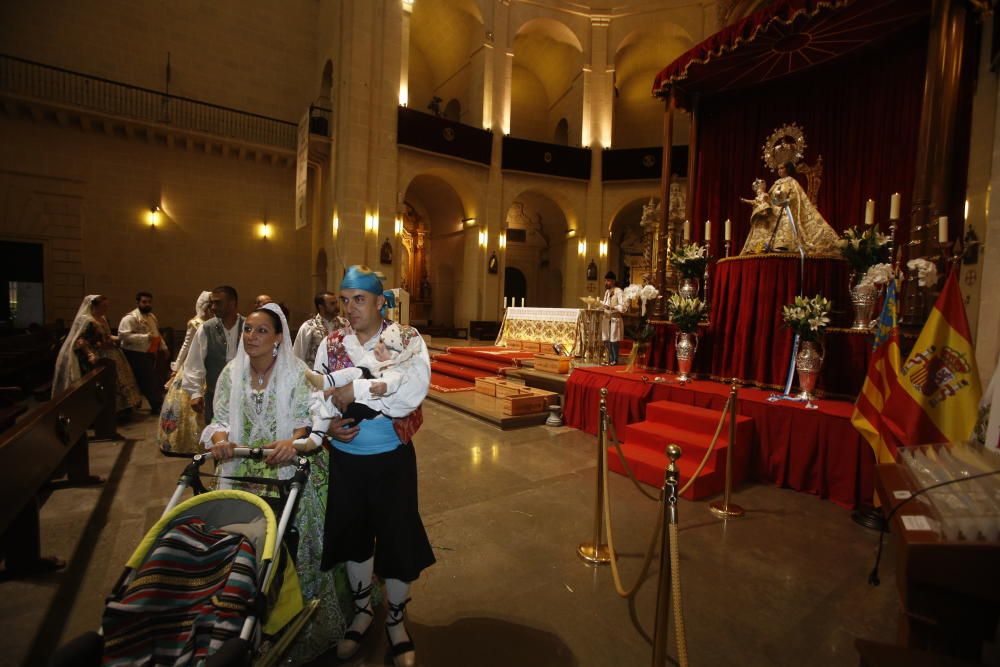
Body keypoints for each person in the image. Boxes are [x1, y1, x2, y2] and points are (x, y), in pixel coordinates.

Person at [200, 303, 346, 664]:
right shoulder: (231, 374)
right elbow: (219, 418)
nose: (252, 337)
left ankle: (299, 623)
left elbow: (302, 421)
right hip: (243, 467)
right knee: (239, 548)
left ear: (279, 337)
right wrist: (220, 440)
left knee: (295, 544)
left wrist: (289, 443)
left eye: (261, 330)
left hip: (288, 468)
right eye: (248, 330)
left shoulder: (296, 373)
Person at [317, 265, 432, 667]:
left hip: (392, 460)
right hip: (346, 462)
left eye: (359, 300)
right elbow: (317, 392)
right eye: (344, 300)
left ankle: (397, 620)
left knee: (398, 539)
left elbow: (410, 395)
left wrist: (360, 390)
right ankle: (364, 611)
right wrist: (328, 424)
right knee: (354, 537)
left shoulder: (405, 339)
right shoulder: (330, 342)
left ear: (381, 302)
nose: (349, 308)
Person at [52, 294, 142, 414]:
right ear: (94, 306)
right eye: (103, 306)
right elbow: (81, 340)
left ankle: (120, 410)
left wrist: (118, 338)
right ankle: (99, 412)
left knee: (120, 380)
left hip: (111, 353)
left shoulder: (102, 318)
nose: (106, 309)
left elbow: (106, 336)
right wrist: (90, 354)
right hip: (96, 355)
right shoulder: (86, 320)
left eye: (107, 306)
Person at [741, 161, 839, 255]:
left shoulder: (792, 182)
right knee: (764, 220)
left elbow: (797, 197)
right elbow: (769, 198)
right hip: (775, 209)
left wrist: (785, 201)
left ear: (787, 169)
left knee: (786, 219)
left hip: (786, 208)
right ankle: (762, 246)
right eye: (778, 168)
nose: (779, 170)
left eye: (782, 168)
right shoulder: (776, 183)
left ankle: (783, 245)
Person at [157, 291, 212, 455]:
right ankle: (186, 442)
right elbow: (186, 346)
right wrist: (176, 368)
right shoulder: (195, 323)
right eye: (210, 306)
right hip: (192, 366)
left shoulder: (215, 323)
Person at [182, 286, 244, 423]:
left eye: (218, 303)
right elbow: (194, 362)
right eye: (212, 303)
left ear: (233, 303)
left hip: (246, 396)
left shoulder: (249, 327)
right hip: (215, 395)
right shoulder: (206, 329)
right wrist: (195, 393)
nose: (213, 307)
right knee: (216, 436)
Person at [118, 291, 169, 413]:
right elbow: (123, 336)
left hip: (149, 352)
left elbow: (156, 334)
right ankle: (156, 405)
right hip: (134, 353)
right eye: (144, 302)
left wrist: (164, 348)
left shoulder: (151, 317)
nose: (147, 304)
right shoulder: (130, 318)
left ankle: (147, 404)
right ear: (138, 302)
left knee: (149, 378)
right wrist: (144, 337)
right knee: (147, 380)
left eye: (149, 302)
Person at [292, 291, 347, 368]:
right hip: (315, 375)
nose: (337, 306)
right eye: (332, 304)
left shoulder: (345, 324)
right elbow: (297, 355)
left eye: (336, 303)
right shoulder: (308, 327)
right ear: (321, 307)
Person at [601, 271, 626, 366]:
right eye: (605, 280)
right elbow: (605, 303)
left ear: (613, 281)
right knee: (606, 339)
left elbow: (623, 306)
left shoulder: (619, 291)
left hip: (615, 319)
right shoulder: (607, 292)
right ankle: (609, 358)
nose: (606, 283)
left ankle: (615, 359)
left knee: (613, 340)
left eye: (608, 281)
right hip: (606, 318)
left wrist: (613, 307)